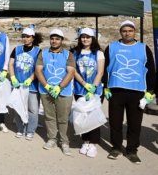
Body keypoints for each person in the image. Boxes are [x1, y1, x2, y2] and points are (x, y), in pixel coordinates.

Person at [103, 20, 156, 164]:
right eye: (124, 31)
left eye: (130, 30)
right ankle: (116, 148)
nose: (127, 33)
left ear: (135, 32)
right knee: (115, 122)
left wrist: (151, 90)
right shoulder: (112, 47)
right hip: (116, 90)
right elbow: (105, 67)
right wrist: (105, 86)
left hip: (136, 91)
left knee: (134, 123)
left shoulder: (143, 48)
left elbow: (151, 69)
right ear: (120, 32)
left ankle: (132, 150)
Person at [35, 29, 75, 156]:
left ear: (62, 40)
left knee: (63, 118)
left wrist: (59, 87)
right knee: (49, 116)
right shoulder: (43, 53)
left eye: (57, 38)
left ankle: (64, 142)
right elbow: (38, 70)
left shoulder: (68, 54)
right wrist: (47, 86)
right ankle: (52, 138)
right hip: (46, 90)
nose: (54, 41)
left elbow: (71, 72)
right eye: (52, 38)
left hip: (64, 91)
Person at [72, 27, 104, 157]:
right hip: (80, 89)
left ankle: (93, 143)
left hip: (95, 90)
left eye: (88, 37)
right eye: (83, 37)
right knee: (82, 115)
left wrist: (93, 87)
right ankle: (85, 140)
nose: (85, 39)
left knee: (93, 116)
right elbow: (73, 71)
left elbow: (100, 71)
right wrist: (84, 84)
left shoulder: (98, 53)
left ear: (92, 39)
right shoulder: (75, 52)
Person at [8, 27, 43, 140]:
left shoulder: (38, 51)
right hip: (18, 85)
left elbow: (38, 68)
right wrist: (13, 77)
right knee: (18, 107)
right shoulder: (17, 49)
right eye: (23, 36)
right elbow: (11, 64)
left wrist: (31, 79)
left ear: (33, 38)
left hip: (31, 86)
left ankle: (30, 130)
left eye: (28, 36)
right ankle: (20, 129)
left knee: (32, 109)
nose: (25, 38)